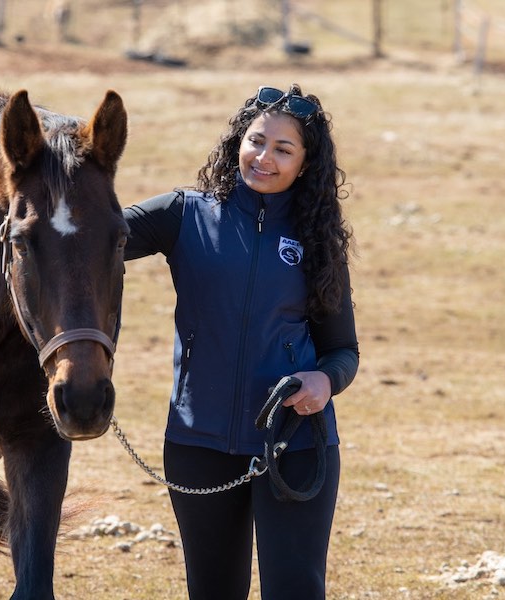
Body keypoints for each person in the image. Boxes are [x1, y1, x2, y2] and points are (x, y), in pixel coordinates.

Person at [122, 83, 359, 600]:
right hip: (196, 442)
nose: (264, 158)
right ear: (237, 142)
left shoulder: (318, 238)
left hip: (294, 442)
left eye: (283, 149)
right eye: (256, 141)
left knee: (295, 590)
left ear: (305, 162)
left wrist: (324, 379)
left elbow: (343, 350)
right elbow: (90, 237)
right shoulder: (184, 214)